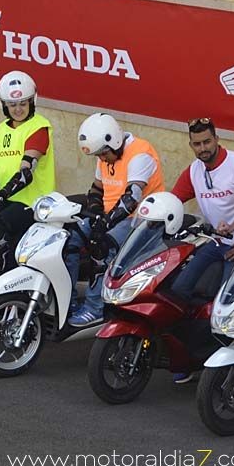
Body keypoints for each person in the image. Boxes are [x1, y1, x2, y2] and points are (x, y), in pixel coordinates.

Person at [168, 117, 234, 383]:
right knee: (178, 290)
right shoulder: (194, 171)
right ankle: (190, 352)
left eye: (207, 142)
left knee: (225, 302)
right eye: (197, 144)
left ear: (217, 140)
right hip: (215, 243)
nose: (203, 148)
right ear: (191, 145)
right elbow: (173, 201)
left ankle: (226, 368)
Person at [66, 113, 165, 327]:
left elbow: (131, 199)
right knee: (69, 238)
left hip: (141, 219)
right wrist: (95, 212)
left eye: (103, 154)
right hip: (111, 216)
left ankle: (94, 308)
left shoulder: (140, 154)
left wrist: (104, 224)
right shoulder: (105, 153)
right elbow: (96, 189)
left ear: (115, 141)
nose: (102, 159)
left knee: (101, 246)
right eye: (98, 155)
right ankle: (68, 300)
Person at [0, 70, 55, 256]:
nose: (18, 109)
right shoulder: (2, 129)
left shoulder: (39, 127)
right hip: (7, 198)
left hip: (34, 202)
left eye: (23, 103)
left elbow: (26, 169)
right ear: (3, 104)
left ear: (32, 101)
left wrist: (5, 191)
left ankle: (4, 270)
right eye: (12, 104)